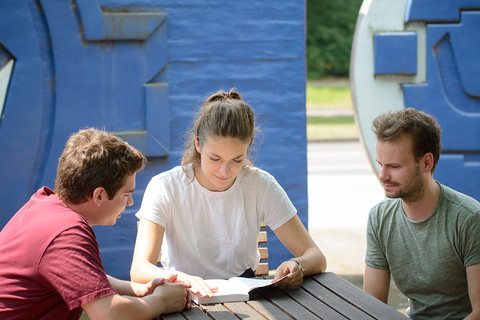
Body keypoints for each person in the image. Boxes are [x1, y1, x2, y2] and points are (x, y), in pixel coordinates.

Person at [130, 88, 327, 298]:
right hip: (184, 294)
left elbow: (316, 257)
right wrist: (180, 278)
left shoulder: (260, 185)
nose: (225, 171)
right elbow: (140, 269)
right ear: (198, 144)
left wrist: (297, 265)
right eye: (215, 159)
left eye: (237, 160)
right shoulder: (165, 187)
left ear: (248, 148)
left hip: (246, 295)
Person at [0, 128, 190, 320]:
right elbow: (108, 313)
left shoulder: (44, 206)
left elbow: (82, 277)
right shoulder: (65, 233)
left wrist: (139, 290)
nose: (131, 202)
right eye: (126, 194)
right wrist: (161, 301)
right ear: (99, 195)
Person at [364, 108, 480, 319]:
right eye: (380, 164)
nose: (382, 175)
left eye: (394, 166)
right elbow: (372, 304)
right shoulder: (380, 218)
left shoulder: (469, 218)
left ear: (427, 162)